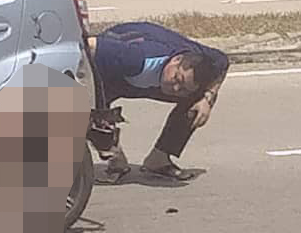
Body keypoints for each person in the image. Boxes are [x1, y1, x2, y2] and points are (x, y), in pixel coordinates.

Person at [87, 21, 228, 182]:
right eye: (177, 79)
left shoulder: (206, 61)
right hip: (111, 72)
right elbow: (89, 45)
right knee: (88, 115)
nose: (175, 88)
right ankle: (116, 161)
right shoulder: (134, 58)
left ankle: (158, 160)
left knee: (196, 103)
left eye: (183, 88)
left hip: (149, 77)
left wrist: (208, 98)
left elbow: (223, 62)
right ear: (177, 60)